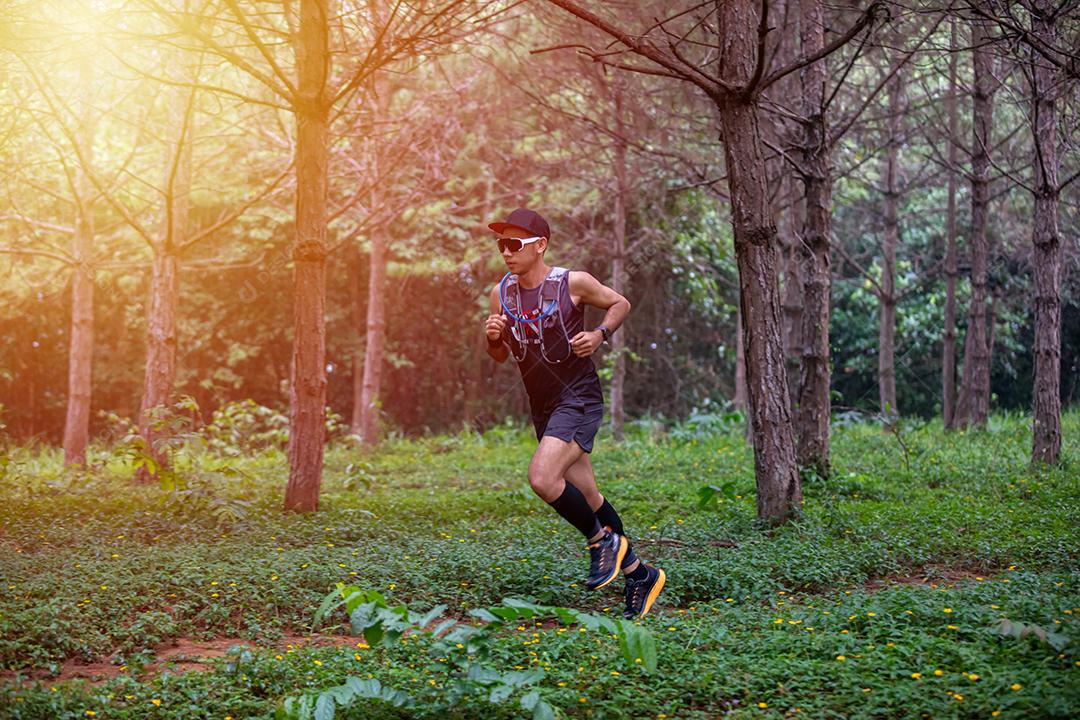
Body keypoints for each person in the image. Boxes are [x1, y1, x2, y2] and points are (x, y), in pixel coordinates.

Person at [483, 207, 665, 620]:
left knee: (543, 479)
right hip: (542, 405)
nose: (506, 253)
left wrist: (601, 334)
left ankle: (603, 542)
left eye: (515, 244)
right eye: (501, 245)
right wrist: (493, 337)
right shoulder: (502, 294)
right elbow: (499, 356)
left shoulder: (572, 283)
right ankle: (641, 575)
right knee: (588, 495)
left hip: (578, 398)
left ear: (540, 245)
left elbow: (620, 302)